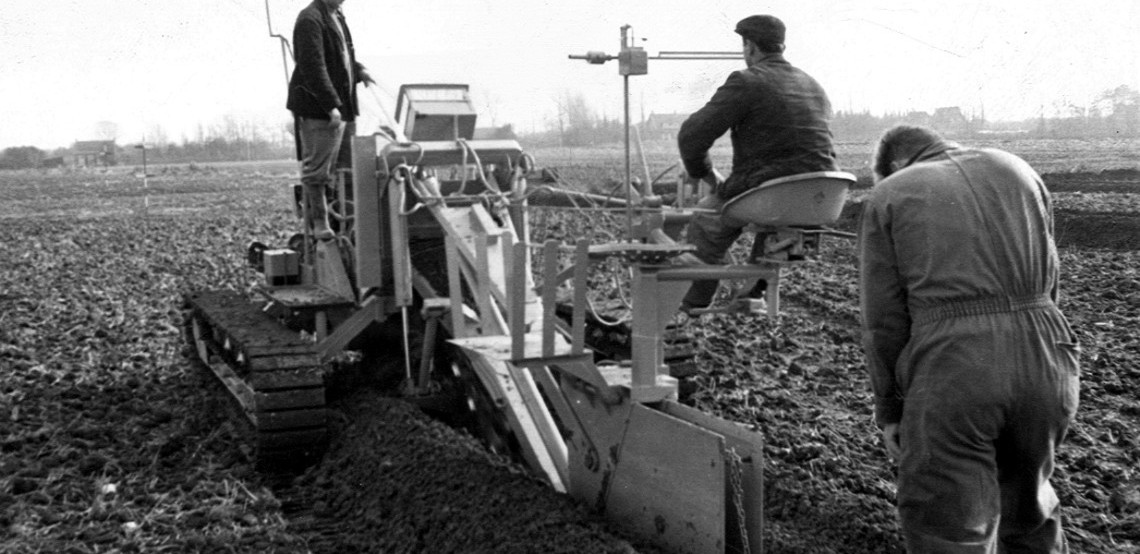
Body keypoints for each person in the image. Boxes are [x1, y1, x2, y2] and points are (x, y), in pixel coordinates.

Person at [860, 125, 1081, 552]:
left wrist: (890, 409)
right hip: (1049, 360)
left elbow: (883, 319)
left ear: (891, 165)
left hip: (957, 368)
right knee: (1031, 515)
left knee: (948, 525)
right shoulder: (1017, 169)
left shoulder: (890, 194)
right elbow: (1051, 278)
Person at [676, 14, 838, 313]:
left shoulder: (747, 81)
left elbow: (692, 135)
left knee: (707, 218)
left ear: (749, 46)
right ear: (782, 45)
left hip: (771, 186)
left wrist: (706, 174)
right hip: (823, 193)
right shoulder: (813, 84)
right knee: (787, 221)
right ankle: (755, 286)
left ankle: (692, 304)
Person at [286, 0, 374, 240]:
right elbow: (312, 66)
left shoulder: (336, 15)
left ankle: (345, 224)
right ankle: (320, 223)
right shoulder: (310, 19)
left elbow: (341, 56)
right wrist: (330, 106)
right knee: (318, 170)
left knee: (346, 169)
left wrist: (359, 70)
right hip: (320, 109)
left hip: (342, 107)